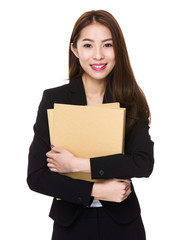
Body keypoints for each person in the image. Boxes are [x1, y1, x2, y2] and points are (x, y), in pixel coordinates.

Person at [27, 10, 154, 240]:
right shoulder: (53, 100)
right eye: (88, 45)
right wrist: (96, 190)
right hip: (71, 224)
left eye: (107, 45)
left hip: (123, 225)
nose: (98, 55)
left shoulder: (131, 99)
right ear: (75, 49)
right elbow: (37, 176)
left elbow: (142, 163)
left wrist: (77, 164)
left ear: (118, 50)